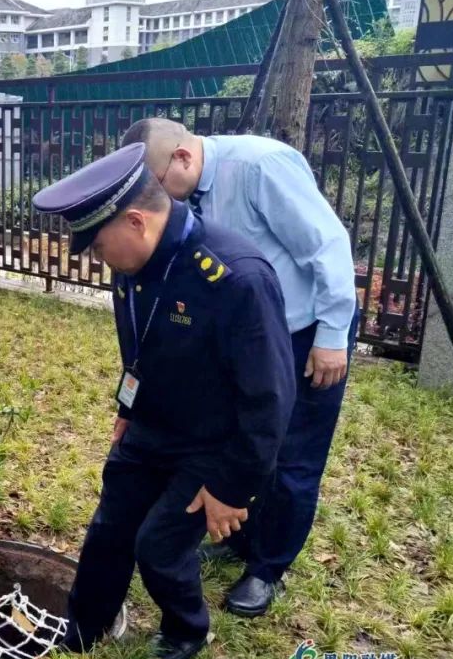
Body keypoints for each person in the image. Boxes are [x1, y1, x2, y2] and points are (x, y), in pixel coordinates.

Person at [34, 142, 295, 659]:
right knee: (110, 527)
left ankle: (186, 628)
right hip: (152, 427)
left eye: (99, 247)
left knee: (158, 545)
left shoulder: (235, 278)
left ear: (136, 221)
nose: (98, 260)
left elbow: (270, 400)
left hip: (211, 446)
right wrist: (127, 407)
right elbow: (140, 345)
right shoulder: (133, 264)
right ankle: (84, 627)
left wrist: (231, 488)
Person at [121, 119, 358, 617]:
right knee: (243, 439)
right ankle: (241, 537)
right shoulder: (187, 195)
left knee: (293, 454)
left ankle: (268, 568)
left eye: (156, 187)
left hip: (304, 331)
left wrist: (333, 335)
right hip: (246, 339)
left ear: (182, 158)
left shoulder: (258, 167)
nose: (155, 202)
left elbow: (328, 244)